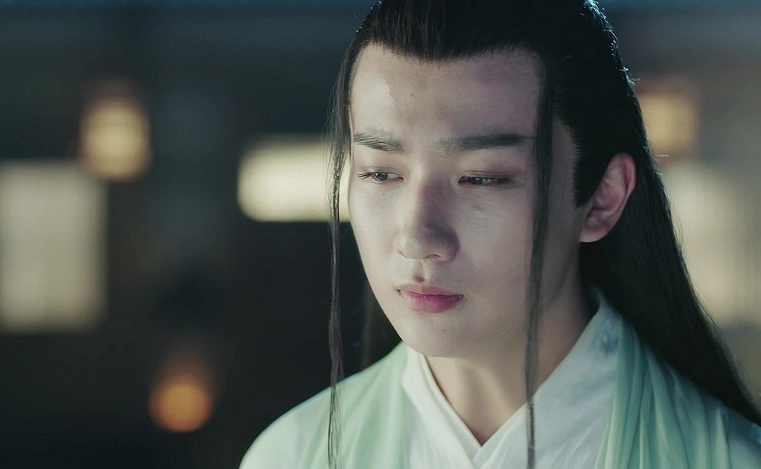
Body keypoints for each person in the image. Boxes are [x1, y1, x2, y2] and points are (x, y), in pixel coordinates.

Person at [241, 0, 761, 467]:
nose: (417, 238)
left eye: (481, 178)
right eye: (380, 173)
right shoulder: (293, 456)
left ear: (602, 198)